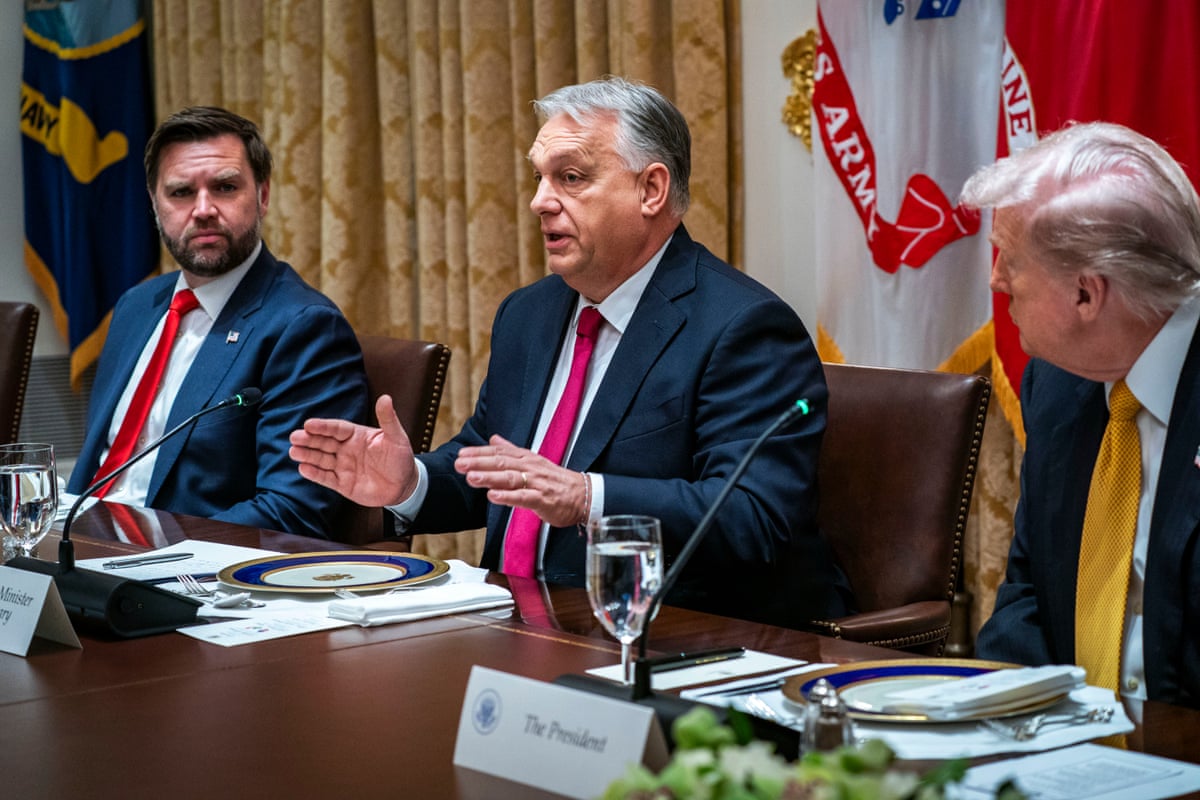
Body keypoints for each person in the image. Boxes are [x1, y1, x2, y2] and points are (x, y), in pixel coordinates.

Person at [290, 76, 846, 628]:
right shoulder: (529, 314)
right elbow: (493, 462)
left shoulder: (741, 327)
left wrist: (587, 498)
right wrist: (409, 482)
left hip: (668, 638)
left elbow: (753, 517)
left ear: (651, 189)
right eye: (539, 178)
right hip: (510, 624)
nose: (539, 202)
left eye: (571, 178)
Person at [963, 121, 1200, 708]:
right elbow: (1027, 592)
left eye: (1010, 260)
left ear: (1088, 294)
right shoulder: (1058, 380)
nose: (996, 281)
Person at [69, 106, 369, 540]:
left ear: (263, 196)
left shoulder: (302, 327)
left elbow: (290, 510)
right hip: (79, 550)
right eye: (181, 192)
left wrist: (151, 552)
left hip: (181, 577)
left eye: (225, 188)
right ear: (154, 204)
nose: (204, 209)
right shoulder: (136, 306)